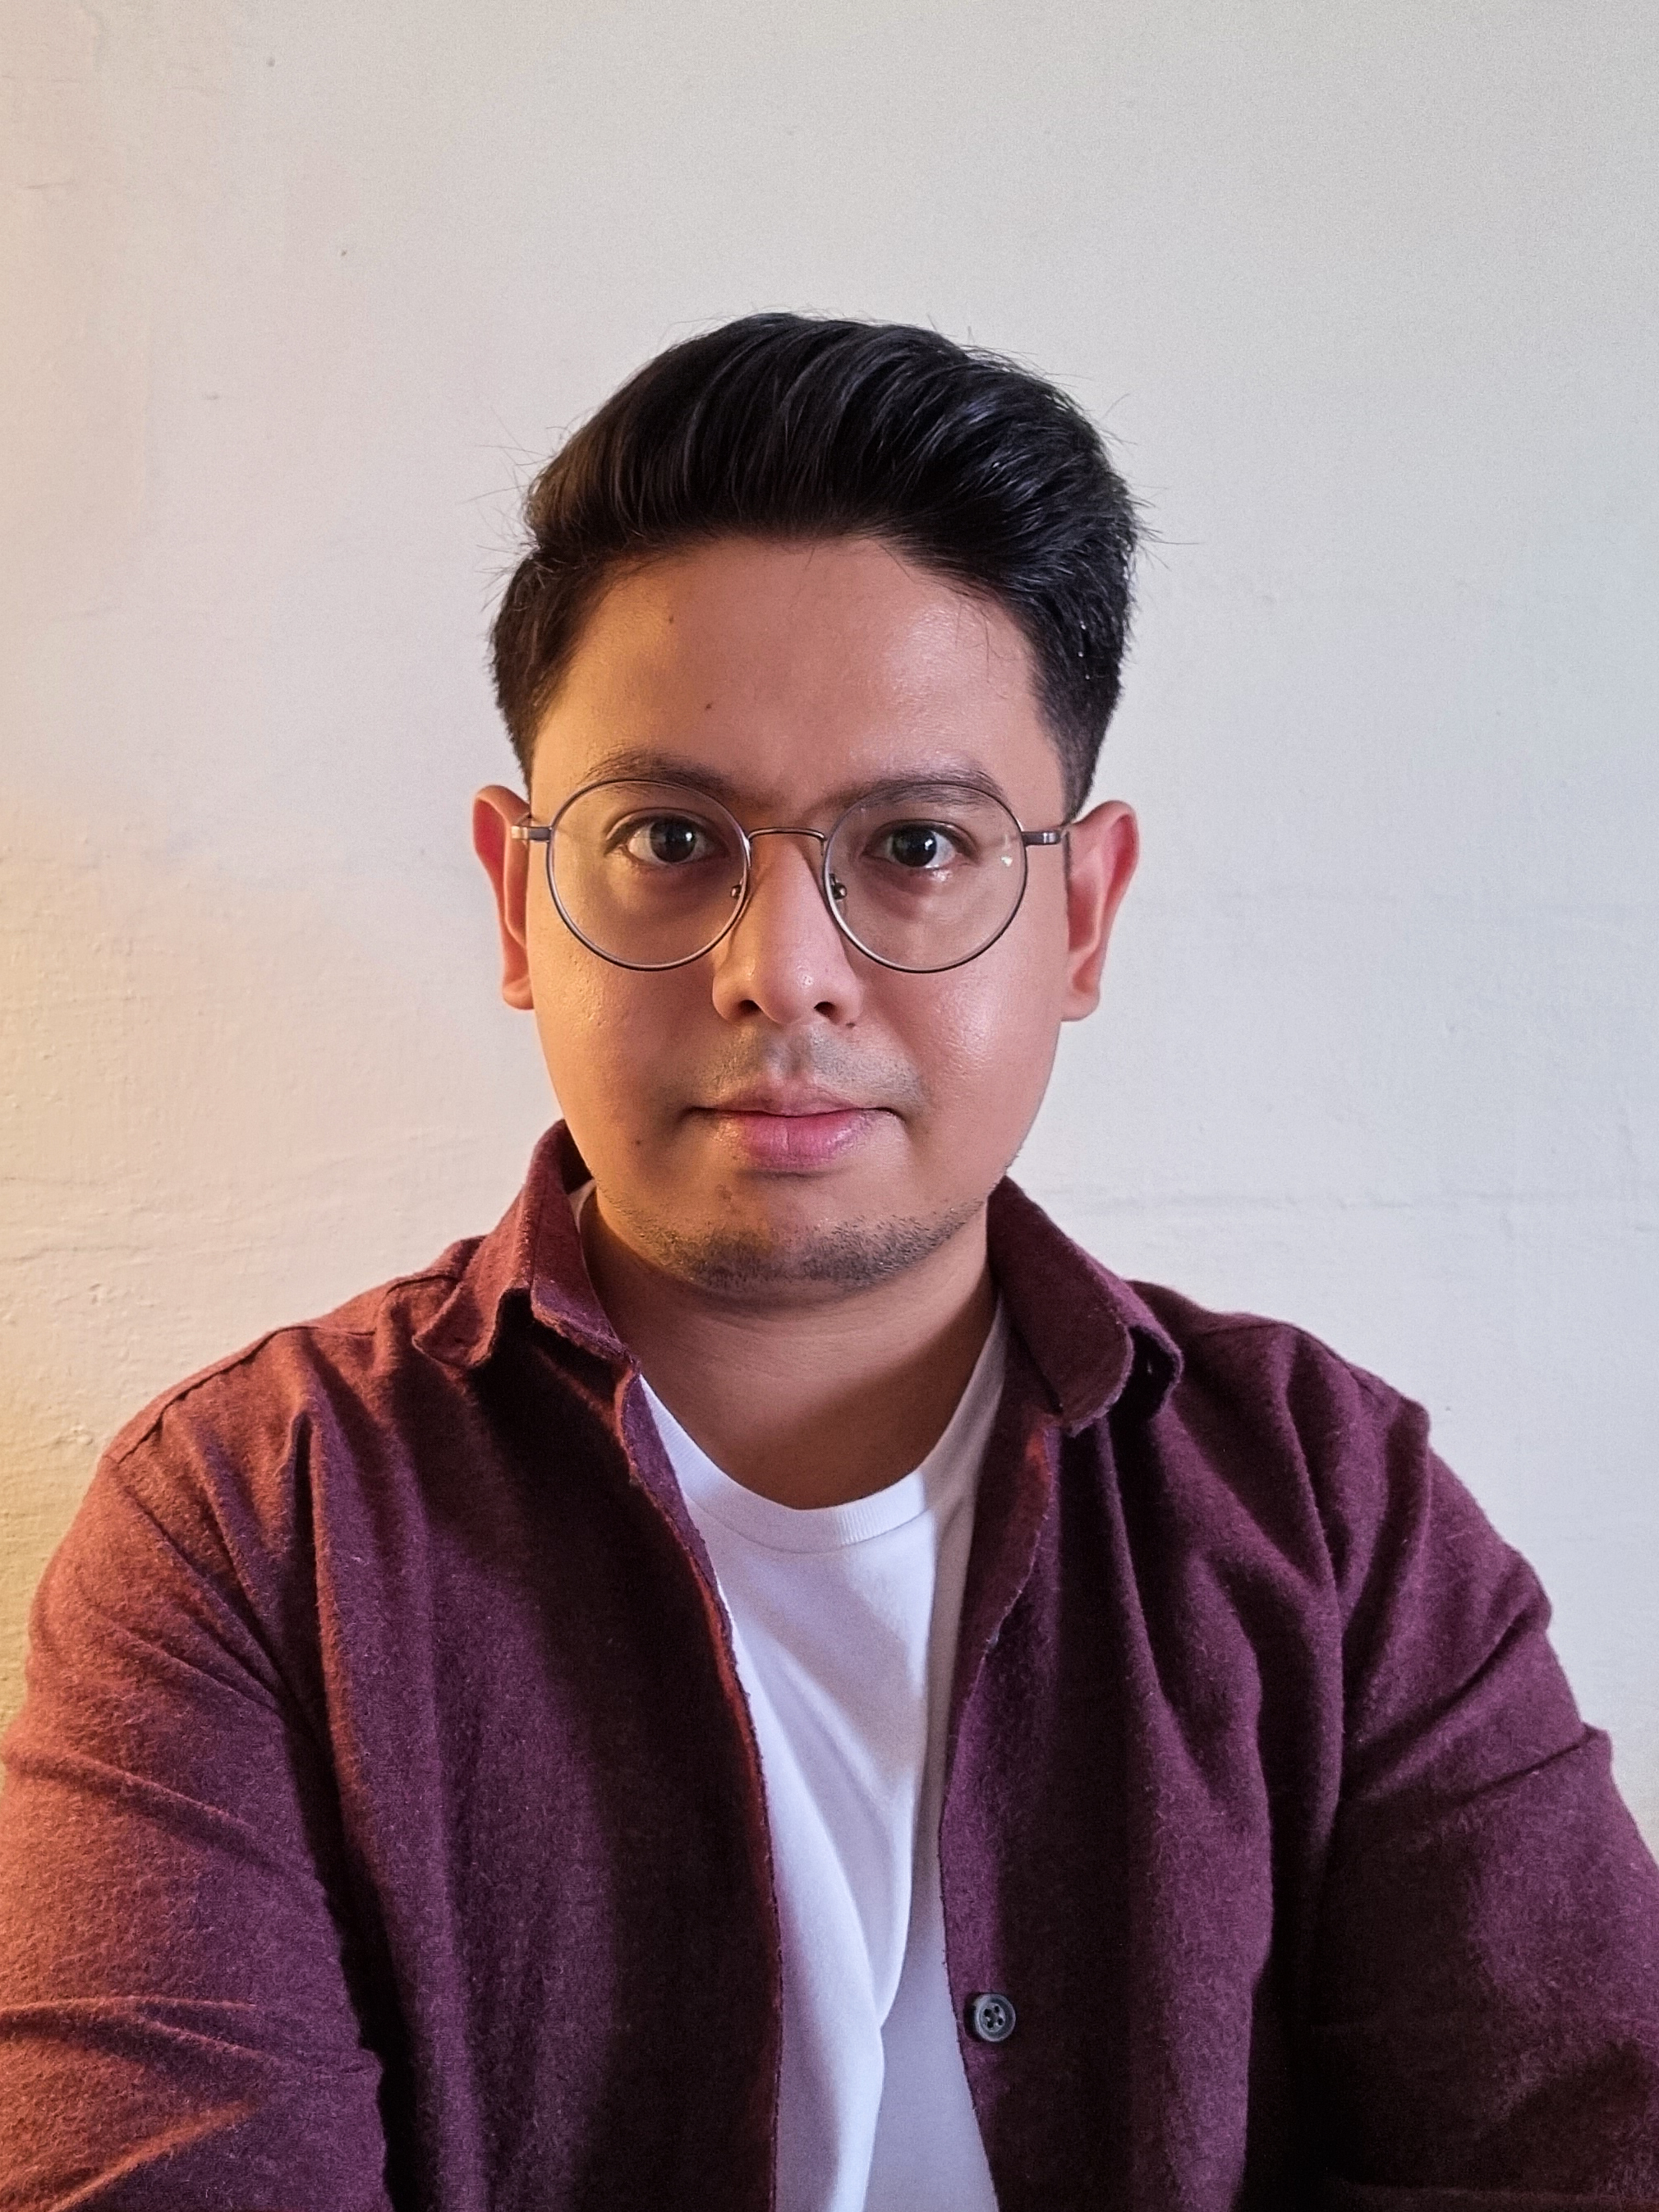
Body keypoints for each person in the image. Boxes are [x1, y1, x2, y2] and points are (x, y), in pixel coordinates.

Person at [1, 314, 1656, 2212]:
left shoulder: (1329, 1511)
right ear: (519, 898)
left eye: (917, 844)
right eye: (667, 837)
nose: (778, 964)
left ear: (1082, 914)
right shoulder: (250, 1531)